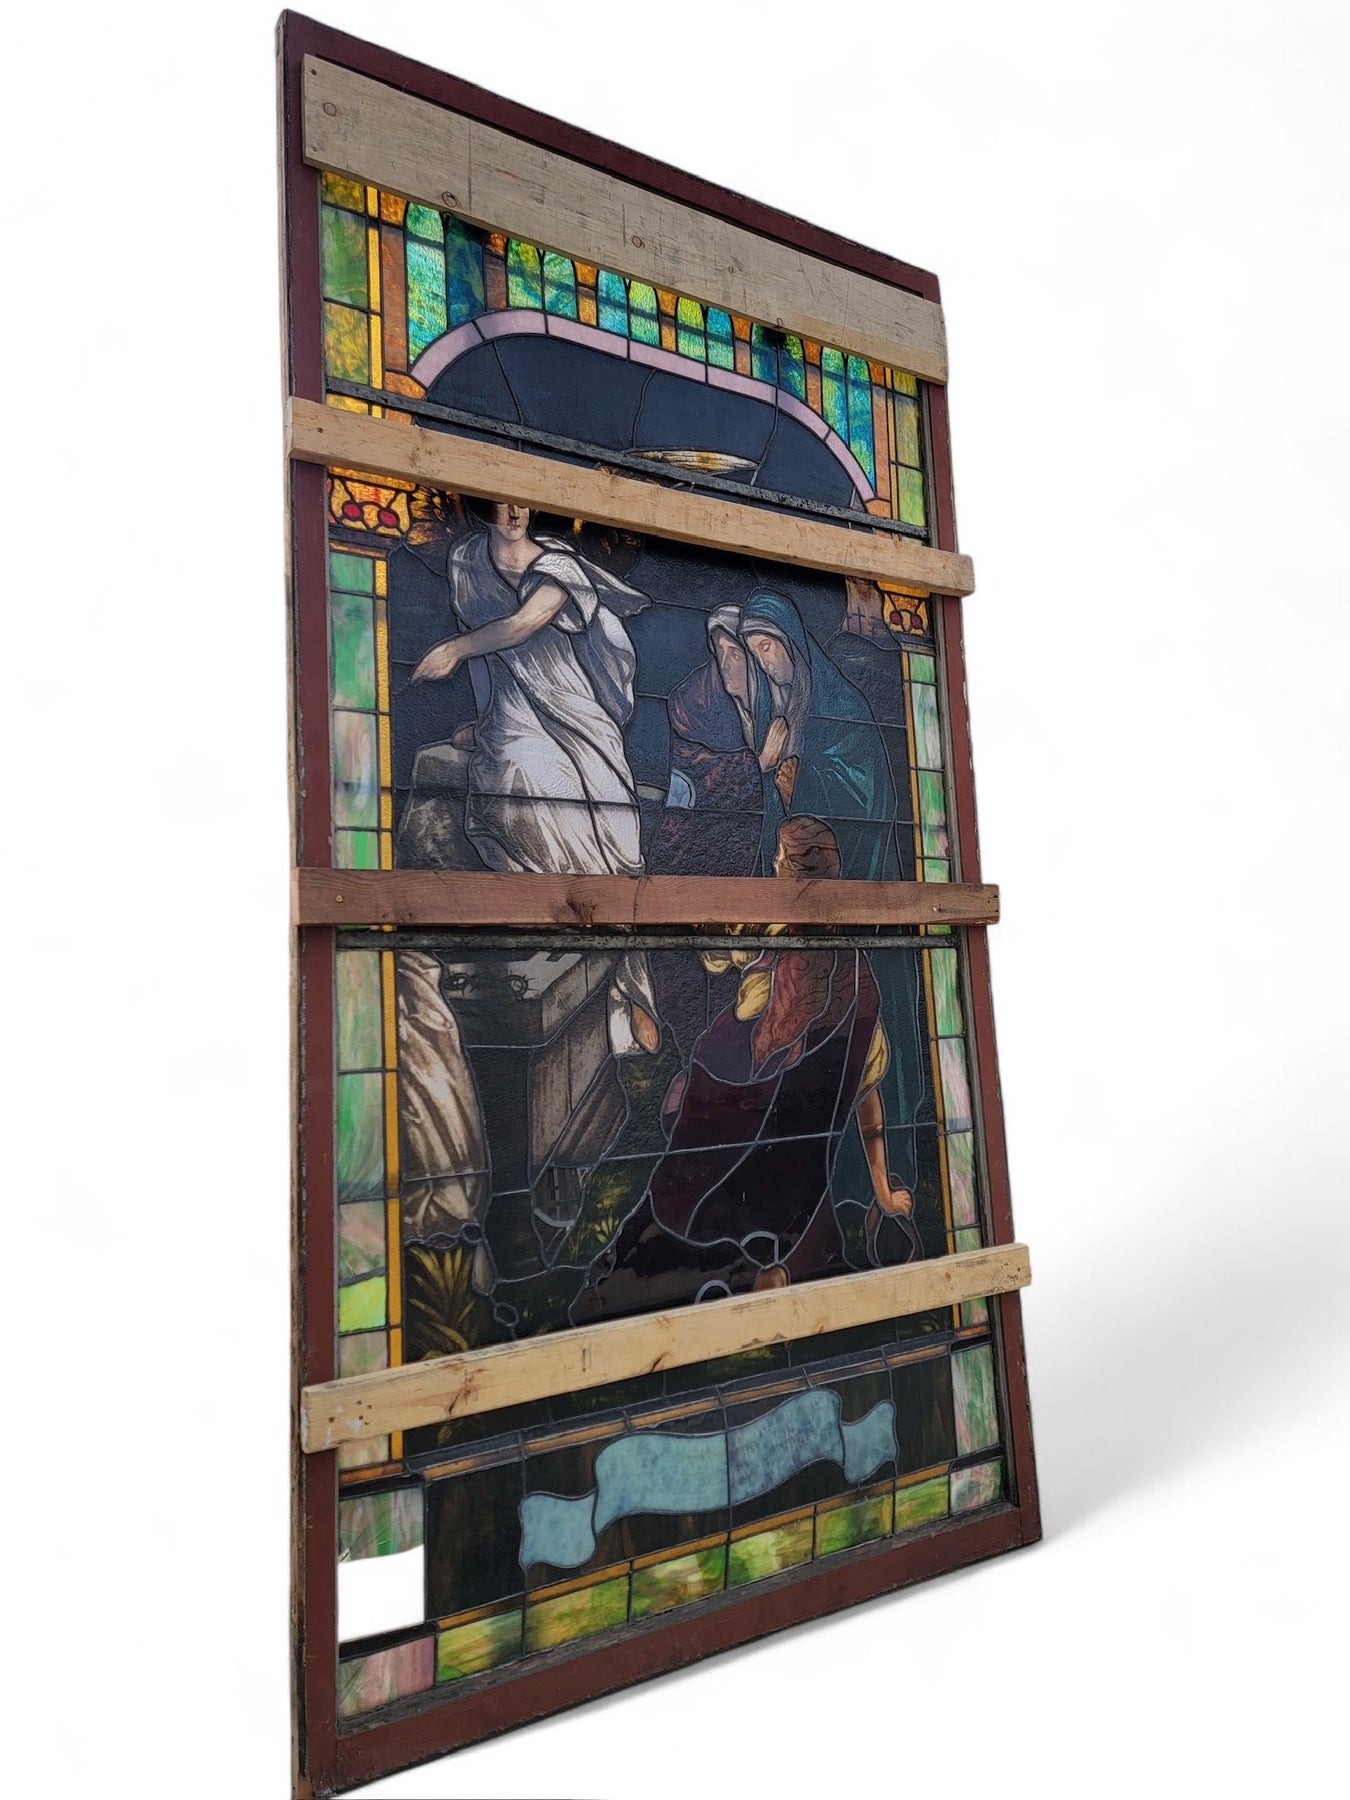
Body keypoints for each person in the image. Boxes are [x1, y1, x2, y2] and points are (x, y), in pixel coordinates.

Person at [570, 817, 918, 1324]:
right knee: (750, 1242)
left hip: (717, 1136)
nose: (770, 867)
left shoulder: (766, 936)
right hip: (784, 1185)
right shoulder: (859, 985)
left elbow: (712, 950)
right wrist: (882, 1189)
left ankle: (616, 1294)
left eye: (777, 860)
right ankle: (752, 1281)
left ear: (790, 874)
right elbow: (867, 1095)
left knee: (667, 1229)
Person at [412, 498, 659, 1054]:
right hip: (512, 713)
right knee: (522, 778)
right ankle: (596, 959)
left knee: (613, 829)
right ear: (483, 507)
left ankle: (624, 979)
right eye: (502, 503)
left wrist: (454, 648)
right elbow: (489, 660)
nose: (514, 513)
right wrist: (484, 719)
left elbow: (521, 626)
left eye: (523, 503)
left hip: (573, 709)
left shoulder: (558, 564)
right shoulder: (467, 563)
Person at [738, 590, 900, 882]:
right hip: (785, 865)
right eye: (755, 653)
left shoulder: (843, 706)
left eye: (766, 647)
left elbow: (868, 795)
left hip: (840, 867)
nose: (762, 662)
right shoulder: (771, 709)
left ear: (789, 640)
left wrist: (802, 784)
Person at [648, 605, 780, 877]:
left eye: (735, 654)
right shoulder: (694, 702)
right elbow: (695, 775)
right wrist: (759, 764)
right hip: (694, 846)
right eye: (721, 652)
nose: (726, 664)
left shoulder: (777, 700)